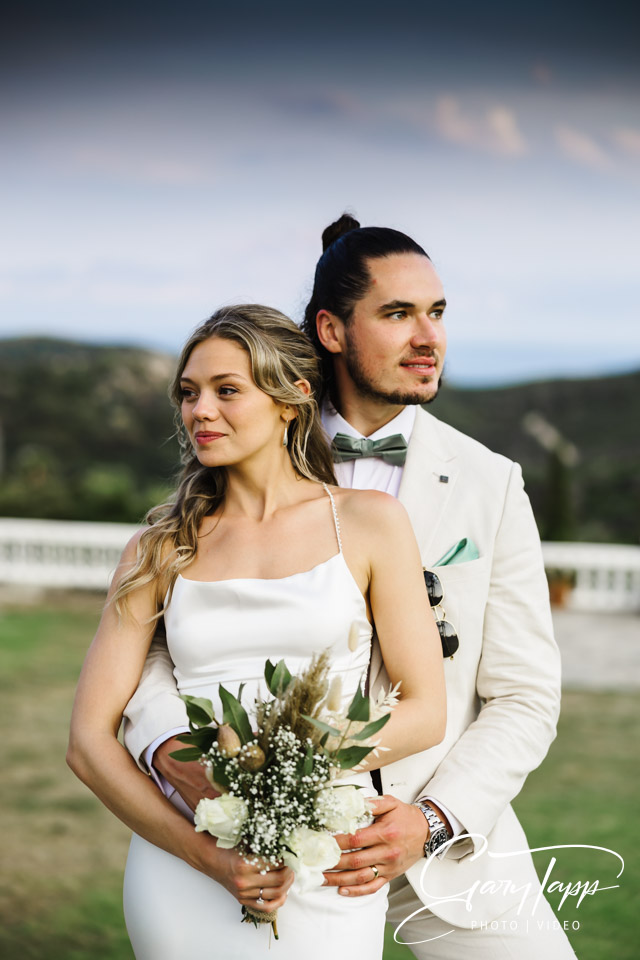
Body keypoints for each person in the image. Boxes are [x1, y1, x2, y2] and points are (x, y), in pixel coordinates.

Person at [123, 217, 578, 958]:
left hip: (441, 833)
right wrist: (174, 749)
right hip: (258, 825)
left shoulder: (489, 484)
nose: (428, 337)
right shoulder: (247, 441)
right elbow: (167, 637)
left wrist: (431, 818)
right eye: (398, 315)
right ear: (331, 330)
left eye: (436, 313)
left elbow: (526, 692)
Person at [67, 303, 446, 960]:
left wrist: (290, 771)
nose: (200, 411)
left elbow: (424, 711)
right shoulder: (159, 549)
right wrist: (205, 854)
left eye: (226, 390)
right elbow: (87, 743)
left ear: (292, 399)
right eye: (188, 393)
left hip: (328, 853)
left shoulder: (368, 523)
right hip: (184, 862)